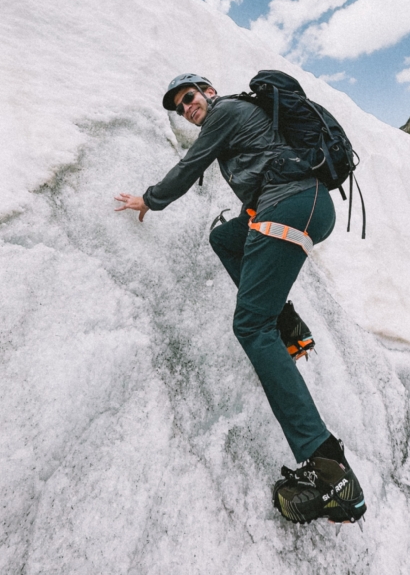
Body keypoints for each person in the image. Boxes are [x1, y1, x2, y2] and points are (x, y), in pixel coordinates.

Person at [115, 73, 366, 525]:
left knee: (250, 326)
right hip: (296, 203)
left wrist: (149, 200)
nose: (187, 108)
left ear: (209, 92)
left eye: (189, 98)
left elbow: (191, 165)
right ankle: (285, 324)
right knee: (226, 240)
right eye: (179, 108)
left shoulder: (228, 111)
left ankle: (330, 471)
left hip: (292, 203)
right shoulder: (240, 122)